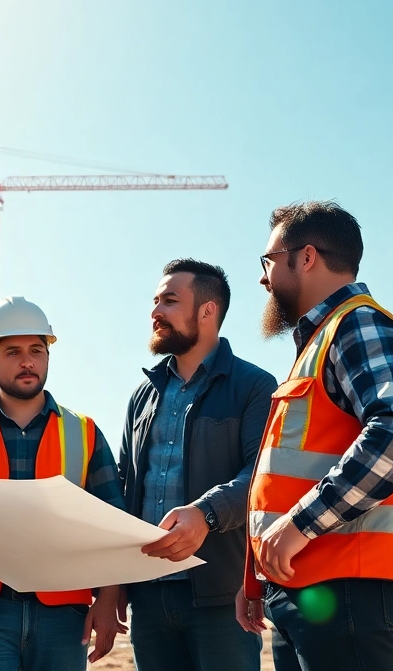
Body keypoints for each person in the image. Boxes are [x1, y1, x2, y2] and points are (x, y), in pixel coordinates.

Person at [236, 201, 393, 671]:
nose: (263, 279)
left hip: (348, 584)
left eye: (267, 262)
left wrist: (299, 525)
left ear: (305, 257)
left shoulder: (359, 324)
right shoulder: (324, 339)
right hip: (312, 584)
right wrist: (258, 579)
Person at [0, 296, 125, 671]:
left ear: (48, 357)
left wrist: (107, 598)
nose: (27, 361)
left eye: (37, 349)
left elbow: (112, 523)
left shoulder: (84, 432)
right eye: (13, 351)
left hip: (63, 613)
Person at [119, 259, 275, 671]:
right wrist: (113, 586)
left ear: (208, 312)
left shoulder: (255, 387)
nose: (155, 312)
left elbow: (262, 478)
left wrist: (206, 515)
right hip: (148, 598)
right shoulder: (142, 397)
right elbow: (124, 488)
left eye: (169, 300)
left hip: (221, 597)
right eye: (155, 301)